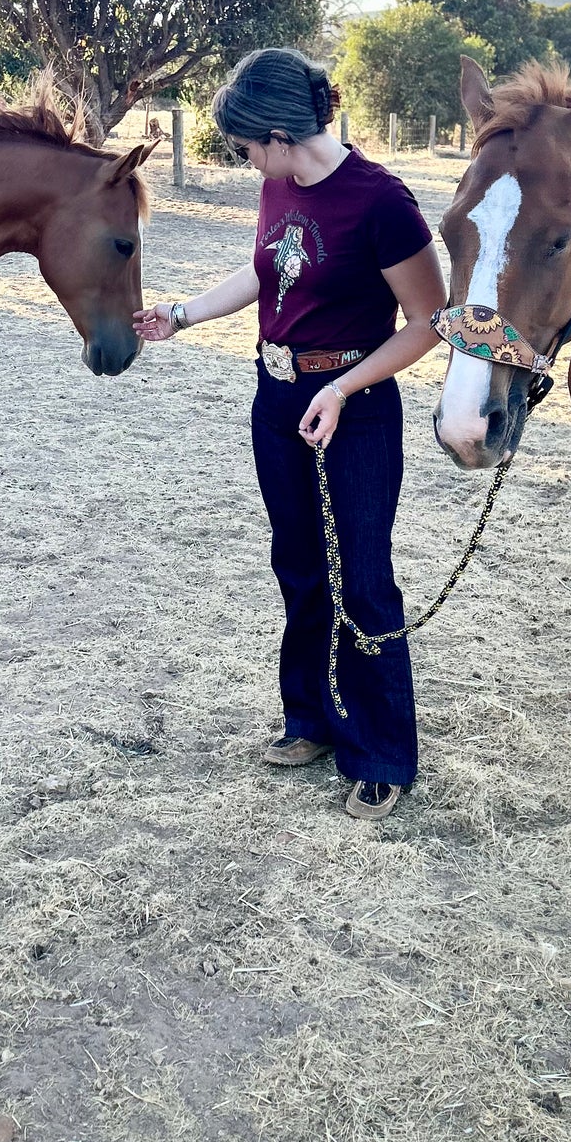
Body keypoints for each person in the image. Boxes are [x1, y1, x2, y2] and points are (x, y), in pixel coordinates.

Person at [134, 48, 445, 820]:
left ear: (278, 135)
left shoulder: (380, 200)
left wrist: (340, 388)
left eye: (246, 145)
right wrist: (181, 314)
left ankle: (380, 754)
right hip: (275, 399)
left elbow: (428, 321)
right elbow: (264, 270)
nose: (243, 159)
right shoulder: (278, 184)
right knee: (299, 565)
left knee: (361, 578)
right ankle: (310, 719)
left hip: (353, 407)